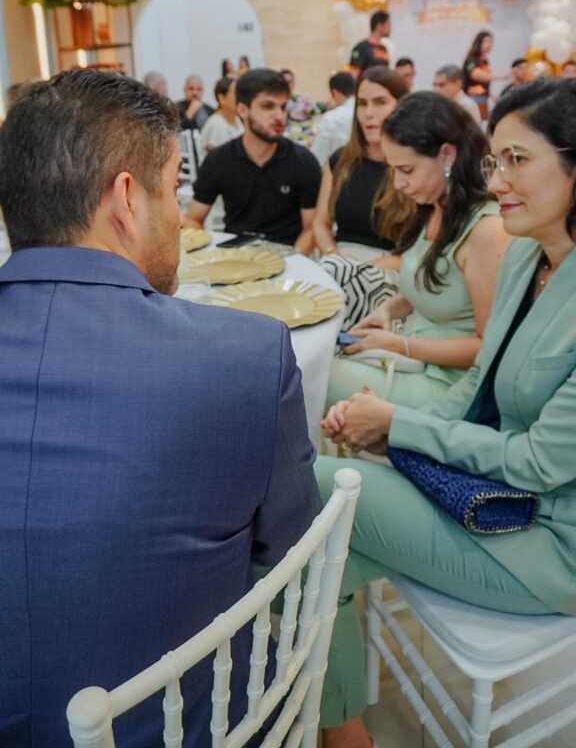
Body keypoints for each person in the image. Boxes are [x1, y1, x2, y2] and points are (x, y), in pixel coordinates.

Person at [0, 70, 320, 748]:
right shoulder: (245, 357)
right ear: (126, 199)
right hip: (187, 725)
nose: (177, 214)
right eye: (172, 188)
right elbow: (290, 549)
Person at [318, 77, 576, 748]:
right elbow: (476, 391)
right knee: (317, 537)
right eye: (497, 161)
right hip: (494, 490)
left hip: (551, 542)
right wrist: (399, 433)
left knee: (317, 491)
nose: (498, 181)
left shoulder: (510, 246)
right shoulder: (528, 257)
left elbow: (541, 462)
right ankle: (340, 725)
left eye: (518, 160)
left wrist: (401, 426)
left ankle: (333, 724)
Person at [328, 92, 508, 408]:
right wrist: (387, 311)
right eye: (393, 170)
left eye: (407, 170)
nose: (398, 183)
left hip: (449, 383)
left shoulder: (486, 231)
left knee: (312, 374)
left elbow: (488, 348)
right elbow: (432, 288)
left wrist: (400, 345)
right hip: (414, 356)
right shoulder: (433, 207)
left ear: (447, 155)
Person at [186, 69, 322, 252]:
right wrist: (205, 254)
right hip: (236, 255)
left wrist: (294, 260)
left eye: (283, 107)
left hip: (288, 254)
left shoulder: (303, 162)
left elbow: (311, 228)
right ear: (243, 110)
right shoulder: (219, 160)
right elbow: (194, 218)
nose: (279, 116)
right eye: (268, 106)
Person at [312, 67, 413, 262]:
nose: (369, 113)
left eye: (380, 102)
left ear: (401, 107)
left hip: (393, 266)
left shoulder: (413, 165)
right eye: (362, 103)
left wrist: (362, 269)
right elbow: (321, 223)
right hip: (340, 259)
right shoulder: (340, 160)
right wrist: (334, 257)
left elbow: (420, 251)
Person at [311, 72, 356, 167]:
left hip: (338, 171)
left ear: (335, 92)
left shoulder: (331, 117)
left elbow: (318, 157)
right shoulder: (364, 111)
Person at [462, 30, 509, 120]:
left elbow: (484, 83)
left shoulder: (485, 61)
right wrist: (502, 76)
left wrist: (491, 95)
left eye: (491, 41)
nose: (489, 44)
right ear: (478, 42)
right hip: (473, 98)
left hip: (483, 99)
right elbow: (476, 75)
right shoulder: (471, 59)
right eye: (486, 41)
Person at [200, 76, 243, 157]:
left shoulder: (237, 120)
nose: (241, 99)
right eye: (236, 94)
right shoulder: (216, 125)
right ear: (222, 98)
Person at [349, 11, 394, 75]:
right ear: (379, 26)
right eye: (388, 24)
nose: (390, 28)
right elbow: (353, 74)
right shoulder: (361, 48)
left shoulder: (384, 49)